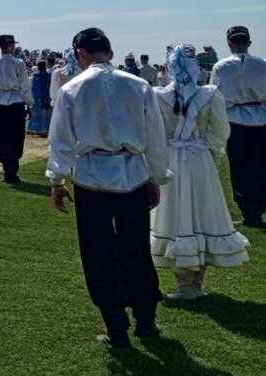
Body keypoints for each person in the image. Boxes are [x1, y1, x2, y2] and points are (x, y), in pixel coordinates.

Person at [47, 27, 170, 348]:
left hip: (92, 177)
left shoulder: (72, 88)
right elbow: (156, 138)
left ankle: (116, 325)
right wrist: (155, 176)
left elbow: (60, 140)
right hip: (132, 172)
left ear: (79, 54)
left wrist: (58, 180)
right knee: (137, 248)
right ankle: (146, 318)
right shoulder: (139, 85)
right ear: (111, 53)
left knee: (98, 252)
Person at [150, 44, 249, 299]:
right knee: (202, 215)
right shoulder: (210, 94)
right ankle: (194, 285)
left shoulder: (158, 96)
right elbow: (219, 133)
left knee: (176, 217)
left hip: (172, 160)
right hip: (200, 159)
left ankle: (186, 286)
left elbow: (154, 134)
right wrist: (212, 156)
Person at [210, 26, 266, 227]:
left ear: (229, 44)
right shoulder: (262, 64)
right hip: (260, 119)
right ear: (249, 42)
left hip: (234, 120)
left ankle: (247, 209)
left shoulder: (221, 66)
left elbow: (215, 96)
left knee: (239, 166)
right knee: (260, 166)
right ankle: (258, 208)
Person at [0, 34, 33, 183]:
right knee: (16, 137)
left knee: (3, 137)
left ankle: (7, 171)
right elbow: (24, 86)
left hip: (0, 103)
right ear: (11, 46)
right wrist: (29, 103)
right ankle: (13, 171)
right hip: (16, 102)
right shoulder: (18, 63)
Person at [27, 59, 53, 136]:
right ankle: (47, 129)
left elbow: (31, 87)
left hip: (37, 98)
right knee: (47, 114)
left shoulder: (34, 77)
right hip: (48, 98)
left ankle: (37, 129)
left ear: (38, 67)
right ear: (45, 66)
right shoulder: (50, 76)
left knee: (37, 114)